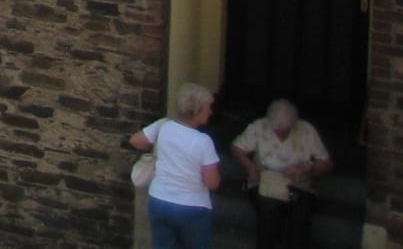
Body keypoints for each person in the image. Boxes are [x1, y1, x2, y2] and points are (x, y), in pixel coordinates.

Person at [131, 83, 222, 249]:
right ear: (197, 110)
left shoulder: (163, 126)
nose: (210, 112)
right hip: (192, 207)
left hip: (159, 200)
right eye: (208, 108)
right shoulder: (204, 142)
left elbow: (136, 141)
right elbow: (212, 183)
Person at [232, 100, 331, 249]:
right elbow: (236, 148)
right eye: (276, 130)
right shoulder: (260, 126)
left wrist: (307, 167)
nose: (280, 133)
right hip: (265, 182)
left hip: (297, 184)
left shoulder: (306, 130)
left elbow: (326, 163)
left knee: (300, 213)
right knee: (268, 207)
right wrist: (250, 167)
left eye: (285, 130)